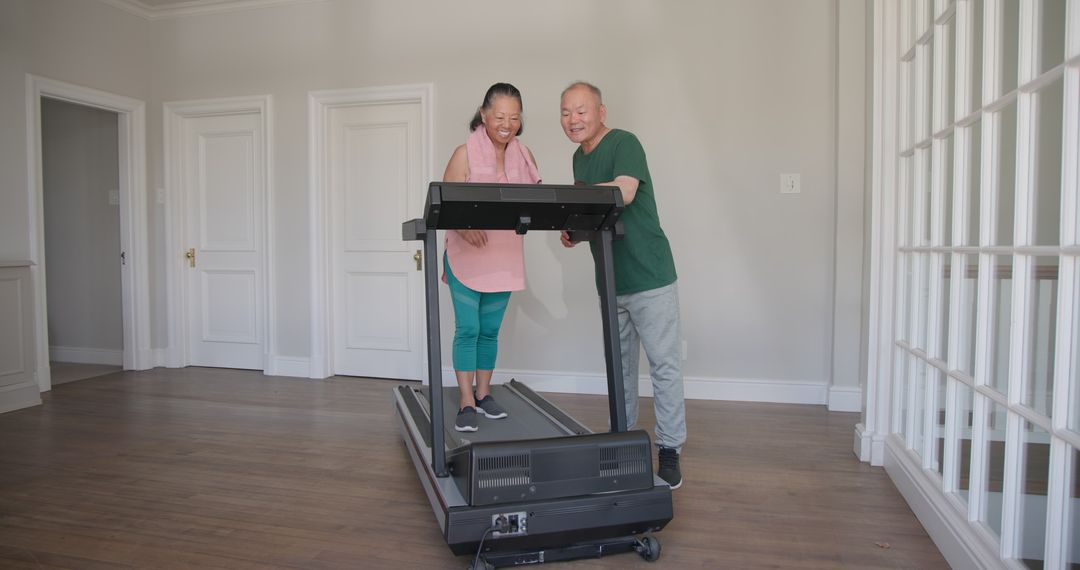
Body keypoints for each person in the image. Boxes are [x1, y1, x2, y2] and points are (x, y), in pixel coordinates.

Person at [558, 81, 686, 489]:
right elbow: (596, 215)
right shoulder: (578, 159)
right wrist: (574, 229)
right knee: (620, 368)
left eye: (581, 111)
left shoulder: (624, 143)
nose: (573, 119)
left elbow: (624, 192)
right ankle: (623, 442)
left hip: (649, 275)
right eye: (566, 112)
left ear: (601, 112)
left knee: (664, 366)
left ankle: (669, 449)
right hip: (611, 280)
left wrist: (567, 200)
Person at [442, 82, 541, 433]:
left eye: (514, 117)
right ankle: (466, 400)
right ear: (484, 115)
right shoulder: (463, 154)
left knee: (489, 331)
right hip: (466, 255)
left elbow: (535, 203)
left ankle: (484, 394)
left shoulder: (525, 156)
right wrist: (464, 227)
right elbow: (446, 204)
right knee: (468, 328)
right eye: (499, 116)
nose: (507, 124)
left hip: (504, 256)